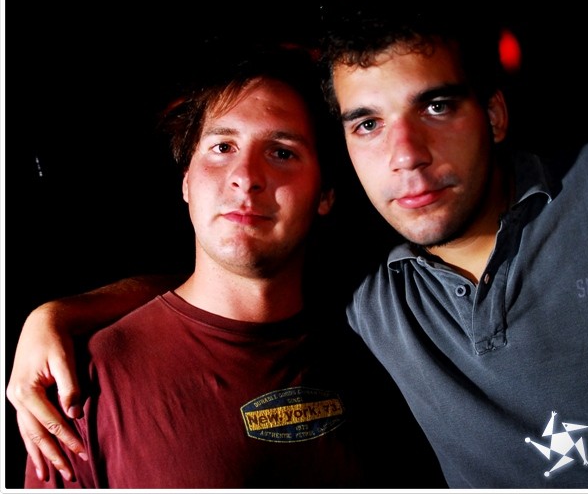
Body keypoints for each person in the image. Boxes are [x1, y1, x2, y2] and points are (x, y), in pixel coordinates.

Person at [7, 0, 588, 488]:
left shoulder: (368, 307)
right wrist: (58, 315)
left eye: (436, 106)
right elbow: (225, 294)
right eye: (367, 123)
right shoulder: (369, 291)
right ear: (184, 179)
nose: (406, 155)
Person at [8, 44, 440, 488]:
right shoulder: (82, 381)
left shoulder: (381, 344)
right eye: (222, 147)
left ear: (325, 194)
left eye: (282, 152)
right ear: (186, 182)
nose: (245, 177)